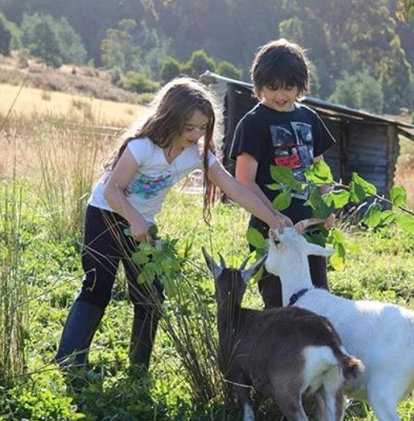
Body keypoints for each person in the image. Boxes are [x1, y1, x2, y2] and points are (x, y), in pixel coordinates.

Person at [55, 76, 289, 380]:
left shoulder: (198, 155)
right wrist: (134, 219)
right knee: (97, 284)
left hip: (144, 226)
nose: (196, 134)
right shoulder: (142, 147)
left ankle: (138, 370)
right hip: (105, 214)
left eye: (202, 127)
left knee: (151, 295)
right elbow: (113, 190)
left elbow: (233, 187)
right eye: (189, 126)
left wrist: (274, 219)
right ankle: (71, 361)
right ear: (170, 118)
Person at [230, 38, 336, 308]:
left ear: (301, 85)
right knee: (280, 306)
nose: (280, 95)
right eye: (272, 87)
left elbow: (319, 168)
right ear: (258, 84)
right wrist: (274, 218)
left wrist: (326, 207)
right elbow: (244, 182)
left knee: (317, 303)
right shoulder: (253, 123)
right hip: (271, 232)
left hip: (309, 231)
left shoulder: (309, 117)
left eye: (289, 87)